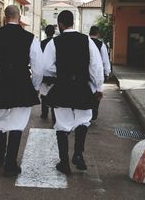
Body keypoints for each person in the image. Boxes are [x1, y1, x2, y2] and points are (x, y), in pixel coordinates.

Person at [0, 5, 43, 177]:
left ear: (5, 17)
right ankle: (11, 163)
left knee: (0, 117)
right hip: (22, 83)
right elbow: (38, 67)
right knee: (18, 121)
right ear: (19, 16)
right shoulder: (30, 38)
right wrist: (36, 86)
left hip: (1, 81)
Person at [43, 10, 104, 175]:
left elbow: (46, 66)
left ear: (60, 25)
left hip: (62, 86)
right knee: (83, 120)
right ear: (73, 23)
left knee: (62, 123)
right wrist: (98, 87)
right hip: (82, 87)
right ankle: (78, 154)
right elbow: (96, 66)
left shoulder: (54, 42)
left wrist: (61, 71)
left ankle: (64, 163)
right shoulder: (87, 41)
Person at [89, 25, 111, 121]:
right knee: (97, 93)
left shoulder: (85, 42)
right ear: (98, 33)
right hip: (97, 73)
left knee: (87, 92)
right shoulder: (101, 44)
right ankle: (94, 112)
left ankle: (87, 111)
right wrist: (107, 72)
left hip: (85, 73)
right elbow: (105, 60)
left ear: (90, 33)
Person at [40, 25, 55, 123]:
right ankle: (54, 113)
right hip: (54, 73)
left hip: (43, 72)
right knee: (54, 93)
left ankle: (44, 113)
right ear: (54, 32)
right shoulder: (56, 42)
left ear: (45, 32)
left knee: (44, 93)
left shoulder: (41, 43)